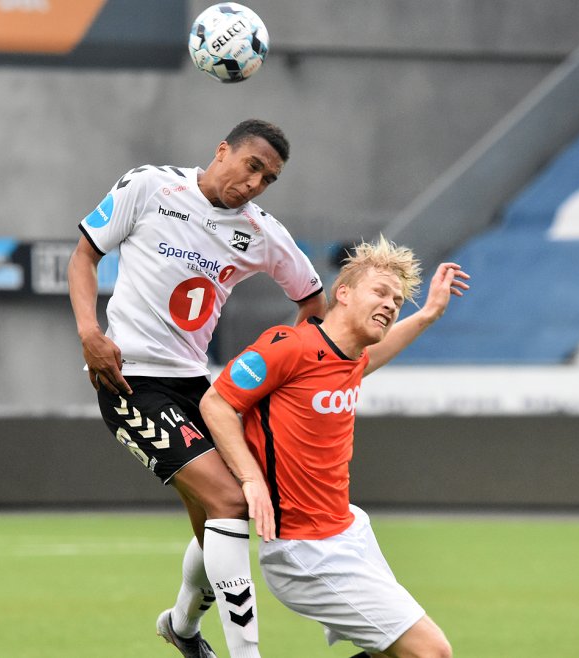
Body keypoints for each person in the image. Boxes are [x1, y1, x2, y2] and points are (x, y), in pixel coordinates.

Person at [67, 119, 326, 658]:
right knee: (232, 501)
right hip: (130, 380)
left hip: (200, 390)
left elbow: (312, 302)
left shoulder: (261, 232)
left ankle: (181, 628)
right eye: (252, 167)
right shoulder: (150, 186)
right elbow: (85, 256)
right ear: (222, 150)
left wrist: (280, 370)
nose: (255, 184)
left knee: (216, 528)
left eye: (268, 179)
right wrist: (90, 333)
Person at [199, 236, 470, 658]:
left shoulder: (351, 359)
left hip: (349, 530)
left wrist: (429, 313)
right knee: (433, 652)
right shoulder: (290, 346)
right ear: (342, 293)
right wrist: (251, 479)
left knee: (395, 654)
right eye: (380, 292)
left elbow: (373, 356)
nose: (390, 304)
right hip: (303, 551)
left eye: (397, 300)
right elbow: (216, 402)